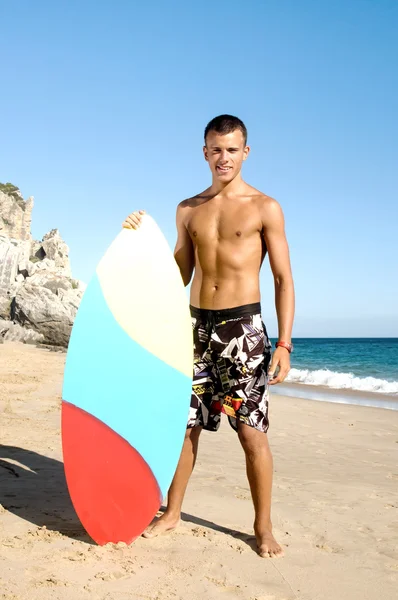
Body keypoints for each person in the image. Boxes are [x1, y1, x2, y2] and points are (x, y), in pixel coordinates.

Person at [123, 115, 295, 558]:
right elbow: (177, 273)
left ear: (246, 152)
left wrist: (284, 343)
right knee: (184, 426)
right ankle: (173, 512)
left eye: (232, 150)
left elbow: (282, 279)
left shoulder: (265, 207)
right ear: (204, 152)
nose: (224, 158)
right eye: (216, 150)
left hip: (243, 330)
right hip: (194, 328)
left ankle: (263, 528)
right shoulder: (187, 209)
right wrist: (139, 242)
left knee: (251, 432)